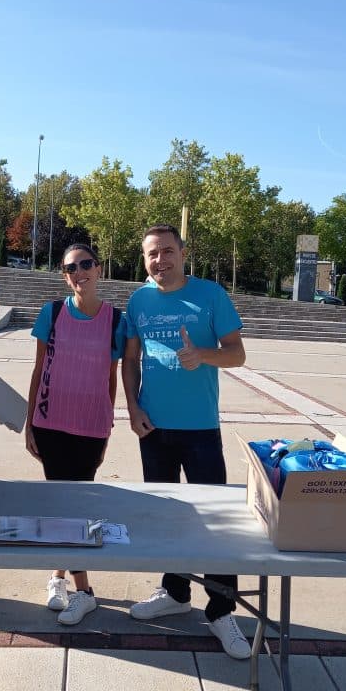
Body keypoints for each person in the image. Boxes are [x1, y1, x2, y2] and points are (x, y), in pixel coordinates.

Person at [122, 223, 251, 659]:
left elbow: (237, 352)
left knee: (215, 521)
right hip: (153, 428)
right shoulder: (138, 299)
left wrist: (203, 355)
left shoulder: (211, 295)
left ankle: (221, 610)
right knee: (166, 516)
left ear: (182, 252)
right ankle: (175, 593)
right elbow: (131, 358)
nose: (160, 260)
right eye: (151, 254)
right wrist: (133, 408)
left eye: (166, 251)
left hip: (200, 429)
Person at [25, 243, 126, 625]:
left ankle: (79, 589)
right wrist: (29, 421)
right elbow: (38, 370)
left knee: (77, 506)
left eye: (86, 264)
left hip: (90, 426)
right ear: (64, 275)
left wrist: (107, 424)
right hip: (50, 423)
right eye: (70, 267)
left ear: (99, 269)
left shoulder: (116, 320)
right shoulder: (51, 313)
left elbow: (111, 377)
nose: (79, 271)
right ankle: (67, 581)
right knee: (60, 504)